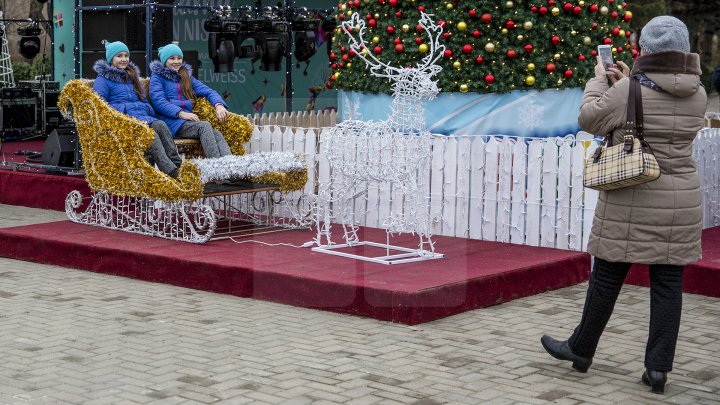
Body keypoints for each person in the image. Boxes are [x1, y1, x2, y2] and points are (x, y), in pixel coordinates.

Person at [540, 16, 707, 394]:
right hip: (680, 199)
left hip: (632, 197)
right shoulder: (696, 92)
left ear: (645, 50)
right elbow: (657, 111)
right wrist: (628, 85)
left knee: (607, 277)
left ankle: (581, 350)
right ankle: (658, 370)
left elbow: (589, 119)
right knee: (668, 285)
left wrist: (600, 79)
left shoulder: (629, 88)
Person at [93, 41, 182, 178]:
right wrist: (125, 108)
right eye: (119, 56)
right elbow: (100, 106)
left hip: (142, 117)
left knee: (161, 125)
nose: (124, 59)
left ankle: (178, 165)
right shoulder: (102, 80)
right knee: (151, 136)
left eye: (126, 55)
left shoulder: (132, 76)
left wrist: (145, 107)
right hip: (123, 121)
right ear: (111, 59)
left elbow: (143, 99)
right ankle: (171, 172)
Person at [149, 43, 232, 158]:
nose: (176, 61)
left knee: (216, 133)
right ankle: (216, 166)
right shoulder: (157, 78)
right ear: (164, 61)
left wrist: (219, 105)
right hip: (170, 123)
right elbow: (159, 102)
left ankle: (230, 164)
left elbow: (208, 91)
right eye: (172, 58)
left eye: (179, 58)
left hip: (186, 122)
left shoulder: (186, 77)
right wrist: (181, 113)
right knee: (204, 126)